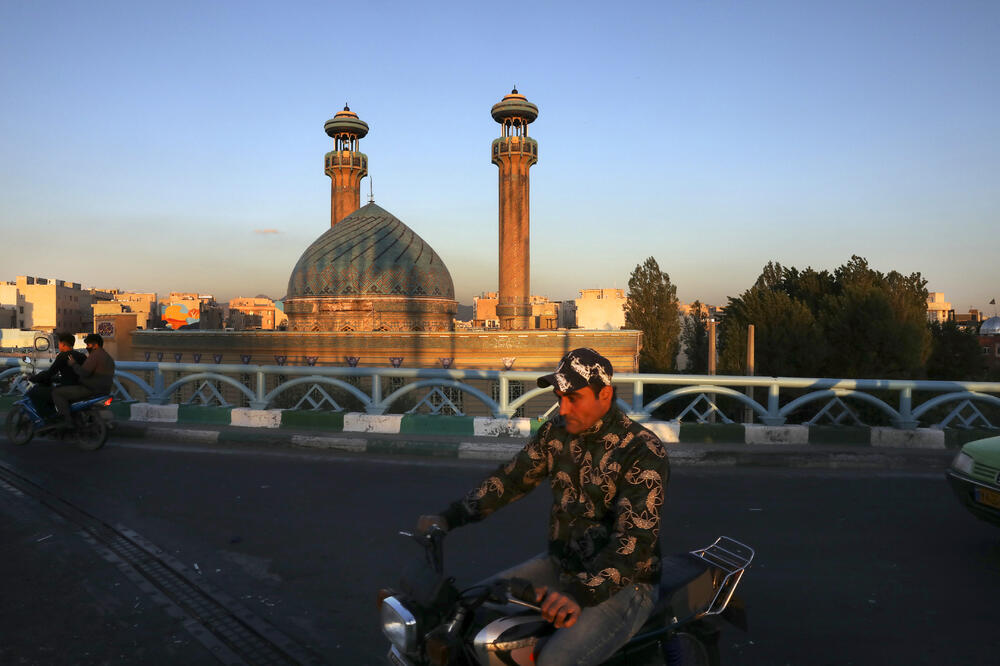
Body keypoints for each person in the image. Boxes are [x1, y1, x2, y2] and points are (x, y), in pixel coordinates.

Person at [417, 348, 669, 666]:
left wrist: (579, 595)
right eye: (559, 396)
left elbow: (633, 542)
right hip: (560, 565)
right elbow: (511, 480)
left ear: (604, 395)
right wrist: (449, 518)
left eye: (573, 398)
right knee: (468, 613)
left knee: (553, 662)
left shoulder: (642, 450)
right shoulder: (556, 433)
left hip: (624, 585)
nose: (562, 407)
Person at [52, 333, 116, 429]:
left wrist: (73, 364)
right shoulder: (108, 357)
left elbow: (83, 372)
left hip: (90, 389)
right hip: (104, 390)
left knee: (57, 393)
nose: (87, 347)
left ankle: (66, 421)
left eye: (88, 345)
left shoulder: (95, 355)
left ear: (95, 345)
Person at [26, 333, 87, 419]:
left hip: (67, 389)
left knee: (34, 392)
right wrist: (55, 379)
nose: (58, 345)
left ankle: (48, 419)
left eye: (59, 343)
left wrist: (34, 378)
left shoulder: (62, 356)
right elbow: (73, 375)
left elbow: (50, 373)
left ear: (63, 344)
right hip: (80, 388)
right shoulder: (82, 356)